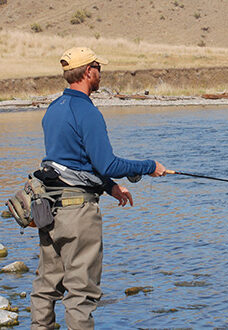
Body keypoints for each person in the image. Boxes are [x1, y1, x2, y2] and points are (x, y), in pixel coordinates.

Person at [30, 47, 167, 329]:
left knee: (46, 285)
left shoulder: (54, 109)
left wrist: (110, 188)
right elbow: (107, 164)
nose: (101, 74)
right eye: (98, 68)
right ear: (89, 71)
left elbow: (73, 161)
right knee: (81, 293)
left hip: (48, 209)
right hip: (78, 215)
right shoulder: (87, 112)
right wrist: (149, 165)